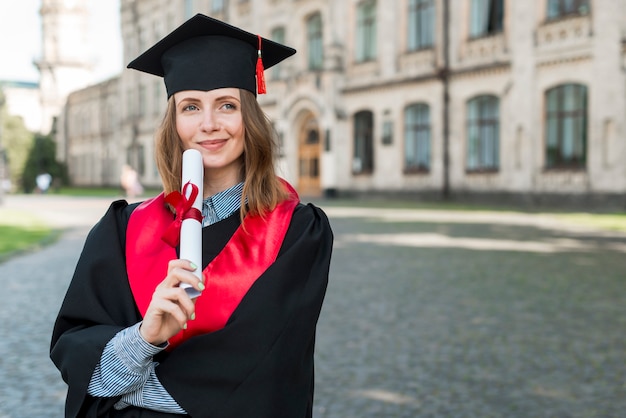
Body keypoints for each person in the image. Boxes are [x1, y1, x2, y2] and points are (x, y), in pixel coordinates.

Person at [50, 14, 333, 418]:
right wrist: (145, 339)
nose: (209, 124)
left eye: (227, 105)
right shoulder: (122, 228)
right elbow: (75, 343)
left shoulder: (298, 232)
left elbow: (266, 369)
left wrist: (126, 391)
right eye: (191, 107)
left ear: (248, 117)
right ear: (174, 120)